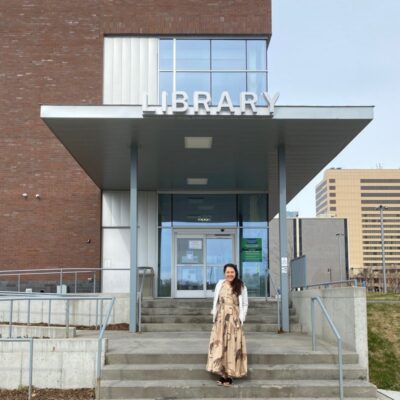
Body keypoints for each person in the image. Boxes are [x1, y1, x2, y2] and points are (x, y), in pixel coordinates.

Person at [206, 263, 248, 386]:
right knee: (220, 346)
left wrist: (241, 318)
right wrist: (215, 314)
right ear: (224, 273)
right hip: (220, 319)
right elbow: (216, 302)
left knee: (231, 347)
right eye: (227, 272)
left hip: (234, 319)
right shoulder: (220, 284)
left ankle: (229, 376)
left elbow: (245, 304)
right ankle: (222, 374)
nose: (230, 274)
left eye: (232, 272)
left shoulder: (241, 286)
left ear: (236, 273)